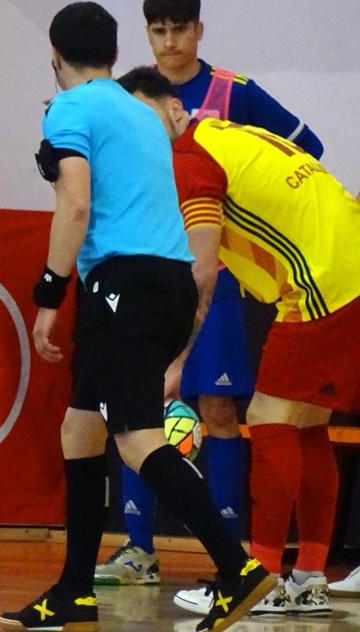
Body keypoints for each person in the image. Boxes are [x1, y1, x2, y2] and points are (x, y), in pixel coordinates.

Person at [0, 2, 273, 632]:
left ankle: (238, 569)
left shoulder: (71, 107)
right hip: (168, 283)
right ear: (117, 54)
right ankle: (73, 592)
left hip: (123, 284)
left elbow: (75, 206)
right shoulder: (143, 111)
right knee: (80, 429)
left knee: (136, 437)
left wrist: (48, 292)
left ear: (54, 55)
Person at [97, 0, 325, 588]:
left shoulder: (234, 93)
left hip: (217, 276)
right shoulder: (130, 96)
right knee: (135, 404)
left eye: (180, 29)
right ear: (147, 34)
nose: (169, 42)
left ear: (199, 29)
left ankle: (227, 552)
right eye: (158, 30)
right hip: (147, 266)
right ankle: (138, 549)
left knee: (221, 407)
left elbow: (309, 148)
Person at [117, 66, 360, 617]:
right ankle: (311, 578)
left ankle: (261, 580)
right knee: (308, 427)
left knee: (270, 418)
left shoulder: (189, 162)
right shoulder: (229, 133)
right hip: (348, 264)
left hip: (325, 282)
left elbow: (202, 272)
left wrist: (176, 361)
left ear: (175, 108)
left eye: (146, 116)